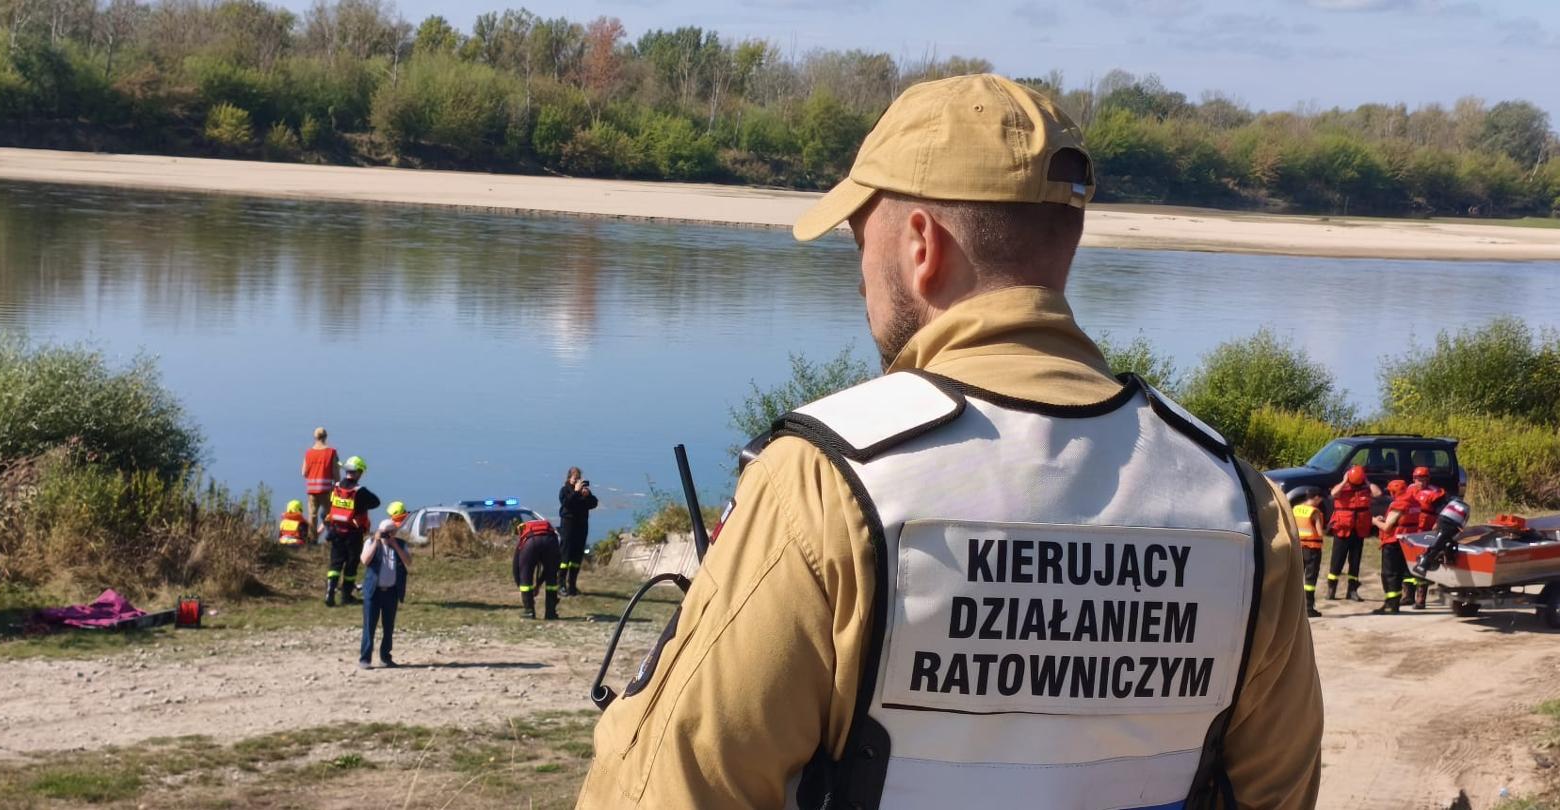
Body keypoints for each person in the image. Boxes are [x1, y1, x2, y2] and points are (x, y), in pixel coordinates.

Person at [577, 74, 1322, 809]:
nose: (857, 281)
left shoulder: (829, 482)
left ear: (921, 246)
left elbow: (673, 788)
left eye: (858, 242)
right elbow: (1279, 790)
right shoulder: (1239, 504)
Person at [324, 456, 381, 607]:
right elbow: (376, 502)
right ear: (357, 473)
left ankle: (329, 593)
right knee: (351, 564)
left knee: (335, 564)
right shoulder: (360, 491)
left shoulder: (335, 487)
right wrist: (361, 508)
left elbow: (331, 505)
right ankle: (346, 596)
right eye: (360, 472)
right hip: (353, 533)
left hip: (335, 530)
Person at [359, 515, 413, 669]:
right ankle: (365, 659)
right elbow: (365, 560)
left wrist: (395, 544)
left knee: (388, 626)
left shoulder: (400, 544)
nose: (387, 535)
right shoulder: (370, 542)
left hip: (391, 592)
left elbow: (408, 561)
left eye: (390, 532)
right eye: (384, 532)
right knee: (369, 626)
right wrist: (377, 542)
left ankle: (386, 657)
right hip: (373, 591)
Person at [1326, 465, 1381, 602]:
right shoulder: (1341, 487)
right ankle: (1331, 590)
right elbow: (1333, 494)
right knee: (1337, 561)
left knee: (1355, 562)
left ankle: (1352, 591)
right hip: (1343, 529)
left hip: (1359, 529)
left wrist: (1367, 481)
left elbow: (1378, 494)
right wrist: (1345, 481)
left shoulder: (1365, 487)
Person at [1370, 480, 1421, 615]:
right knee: (1401, 573)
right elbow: (1402, 521)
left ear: (1393, 492)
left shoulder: (1399, 504)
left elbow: (1387, 527)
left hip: (1393, 543)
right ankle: (1395, 602)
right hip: (1408, 542)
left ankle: (1391, 605)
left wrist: (1375, 521)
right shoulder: (1414, 502)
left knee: (1390, 575)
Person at [1405, 477, 1448, 610]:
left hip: (1427, 531)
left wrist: (1438, 523)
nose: (1421, 482)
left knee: (1422, 562)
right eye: (1418, 479)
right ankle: (1407, 595)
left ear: (1428, 479)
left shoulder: (1435, 493)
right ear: (1414, 479)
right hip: (1412, 529)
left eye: (1423, 479)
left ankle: (1421, 598)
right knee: (1408, 562)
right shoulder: (1409, 489)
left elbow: (1443, 510)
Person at [558, 467, 599, 596]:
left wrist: (587, 495)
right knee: (565, 557)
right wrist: (575, 492)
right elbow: (568, 504)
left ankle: (572, 586)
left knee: (576, 558)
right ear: (569, 478)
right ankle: (561, 585)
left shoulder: (583, 491)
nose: (577, 481)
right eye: (575, 478)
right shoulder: (564, 490)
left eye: (579, 478)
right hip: (568, 526)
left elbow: (594, 503)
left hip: (581, 527)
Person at [515, 518, 563, 620]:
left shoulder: (524, 534)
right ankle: (550, 612)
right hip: (550, 542)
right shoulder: (550, 531)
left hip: (530, 544)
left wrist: (521, 586)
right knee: (552, 578)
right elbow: (551, 569)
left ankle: (529, 611)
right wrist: (539, 584)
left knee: (525, 577)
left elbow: (516, 567)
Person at [1293, 487, 1327, 618]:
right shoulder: (1314, 512)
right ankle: (1309, 608)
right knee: (1310, 579)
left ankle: (1294, 608)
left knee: (1297, 577)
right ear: (1316, 497)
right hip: (1312, 548)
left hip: (1298, 547)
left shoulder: (1296, 509)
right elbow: (1319, 532)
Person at [303, 428, 340, 537]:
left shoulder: (309, 453)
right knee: (331, 513)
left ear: (315, 437)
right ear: (326, 437)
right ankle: (332, 536)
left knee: (312, 515)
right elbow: (335, 472)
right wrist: (337, 486)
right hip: (326, 489)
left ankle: (312, 539)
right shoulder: (331, 452)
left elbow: (304, 472)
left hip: (311, 490)